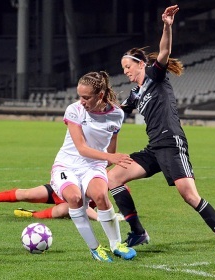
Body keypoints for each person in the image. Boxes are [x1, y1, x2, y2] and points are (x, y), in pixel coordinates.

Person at [107, 5, 215, 254]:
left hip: (171, 143)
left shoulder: (155, 76)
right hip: (154, 148)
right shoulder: (135, 93)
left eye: (127, 67)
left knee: (189, 195)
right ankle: (138, 233)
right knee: (112, 178)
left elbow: (165, 50)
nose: (125, 72)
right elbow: (117, 114)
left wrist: (167, 25)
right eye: (123, 68)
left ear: (140, 64)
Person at [50, 71, 136, 262]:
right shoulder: (74, 110)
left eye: (86, 97)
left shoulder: (117, 114)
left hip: (94, 164)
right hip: (68, 164)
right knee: (74, 197)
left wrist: (106, 164)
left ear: (100, 95)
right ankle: (95, 248)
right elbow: (81, 148)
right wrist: (111, 157)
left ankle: (116, 244)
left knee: (100, 195)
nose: (81, 101)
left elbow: (112, 143)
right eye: (80, 96)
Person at [0, 185, 126, 221]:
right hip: (60, 189)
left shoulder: (102, 180)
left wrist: (105, 217)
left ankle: (32, 215)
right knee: (28, 193)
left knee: (64, 209)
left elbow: (84, 207)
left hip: (73, 202)